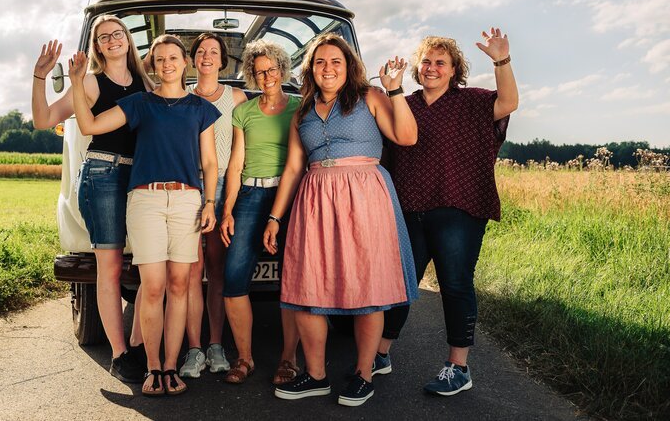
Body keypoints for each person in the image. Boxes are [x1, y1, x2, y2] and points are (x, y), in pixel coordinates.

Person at [263, 33, 419, 407]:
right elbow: (294, 167)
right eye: (320, 62)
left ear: (349, 67)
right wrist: (274, 217)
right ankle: (316, 375)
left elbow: (407, 136)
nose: (328, 68)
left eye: (336, 61)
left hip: (364, 194)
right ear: (310, 70)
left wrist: (396, 91)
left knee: (369, 289)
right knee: (306, 288)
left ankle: (363, 375)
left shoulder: (370, 97)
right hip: (315, 198)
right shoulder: (302, 112)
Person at [68, 34, 220, 397]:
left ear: (185, 63)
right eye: (160, 59)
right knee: (152, 286)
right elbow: (88, 126)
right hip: (146, 201)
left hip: (187, 202)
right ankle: (152, 367)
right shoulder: (139, 102)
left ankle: (171, 367)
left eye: (173, 58)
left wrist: (210, 202)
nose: (167, 65)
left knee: (181, 286)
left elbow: (210, 162)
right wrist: (76, 82)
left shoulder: (200, 109)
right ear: (152, 65)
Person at [383, 27, 518, 396]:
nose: (432, 67)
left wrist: (501, 60)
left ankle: (458, 367)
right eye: (426, 61)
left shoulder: (471, 102)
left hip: (459, 208)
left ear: (454, 69)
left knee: (455, 285)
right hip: (409, 208)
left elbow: (507, 103)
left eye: (441, 62)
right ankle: (380, 353)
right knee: (399, 284)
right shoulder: (404, 104)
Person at [31, 15, 154, 383]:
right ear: (98, 46)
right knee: (111, 267)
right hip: (103, 173)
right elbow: (43, 119)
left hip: (142, 178)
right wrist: (41, 76)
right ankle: (121, 355)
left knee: (152, 265)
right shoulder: (89, 82)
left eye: (118, 34)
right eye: (104, 37)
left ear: (128, 40)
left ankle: (138, 343)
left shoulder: (147, 82)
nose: (112, 39)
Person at [218, 40, 301, 385]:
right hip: (250, 193)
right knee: (234, 279)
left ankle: (288, 358)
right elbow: (236, 163)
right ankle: (245, 357)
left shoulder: (300, 107)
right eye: (259, 70)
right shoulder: (244, 112)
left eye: (271, 69)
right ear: (251, 74)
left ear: (282, 69)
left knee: (295, 280)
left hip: (291, 193)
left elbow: (301, 160)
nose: (266, 75)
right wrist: (227, 211)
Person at [179, 33, 247, 378]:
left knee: (217, 270)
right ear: (192, 60)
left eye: (214, 52)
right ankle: (194, 348)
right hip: (188, 186)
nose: (207, 57)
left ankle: (216, 344)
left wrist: (228, 199)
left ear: (223, 61)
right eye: (201, 52)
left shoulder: (235, 97)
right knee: (192, 270)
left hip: (220, 185)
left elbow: (238, 151)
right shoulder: (182, 95)